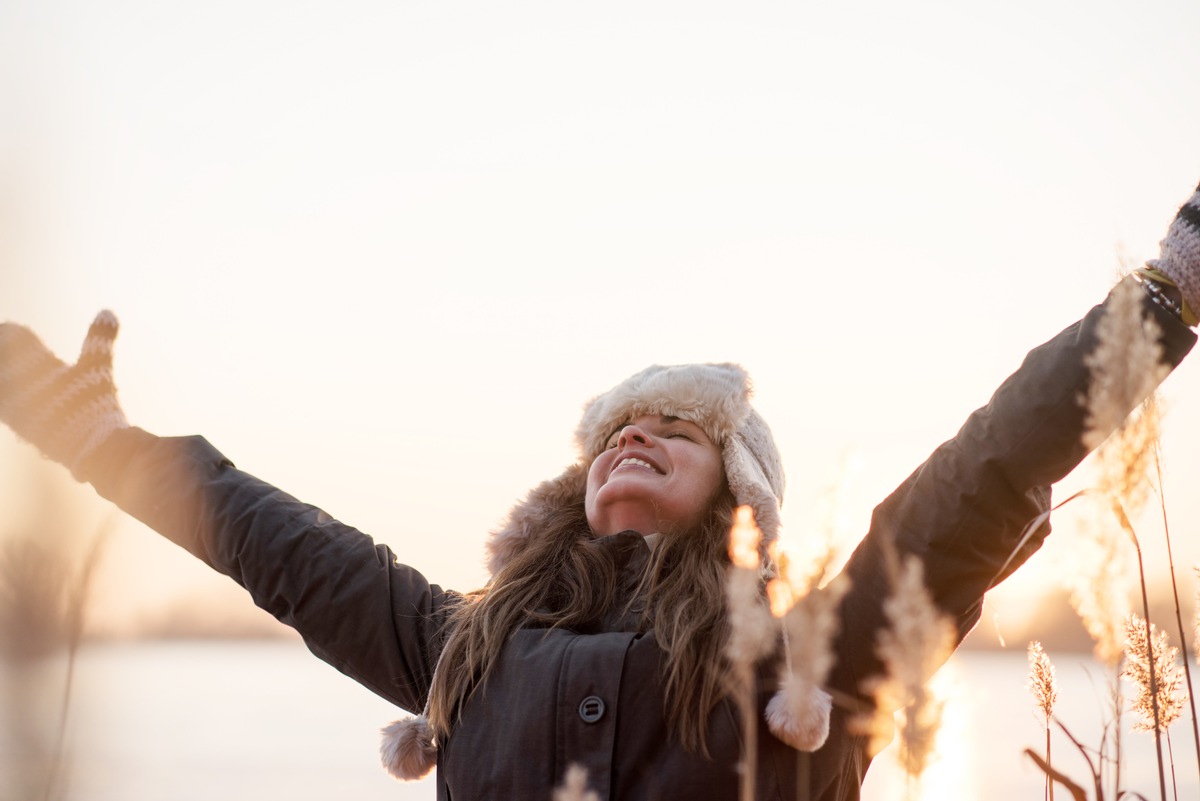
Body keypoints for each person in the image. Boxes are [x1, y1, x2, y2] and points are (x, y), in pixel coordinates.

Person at [2, 184, 1199, 801]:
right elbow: (279, 546)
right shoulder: (461, 649)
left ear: (742, 492)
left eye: (677, 426)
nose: (635, 436)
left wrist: (1168, 290)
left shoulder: (812, 662)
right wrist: (101, 438)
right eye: (618, 428)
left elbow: (983, 471)